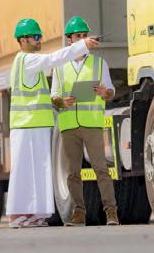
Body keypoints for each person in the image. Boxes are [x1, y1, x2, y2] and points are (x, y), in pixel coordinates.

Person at [6, 18, 99, 229]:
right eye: (35, 37)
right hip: (25, 126)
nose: (39, 40)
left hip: (36, 125)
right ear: (23, 40)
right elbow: (53, 59)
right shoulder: (26, 60)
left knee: (38, 171)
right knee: (23, 171)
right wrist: (82, 46)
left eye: (40, 36)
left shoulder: (31, 63)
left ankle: (34, 214)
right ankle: (17, 215)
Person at [51, 15, 119, 226]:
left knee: (101, 169)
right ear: (69, 40)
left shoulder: (99, 63)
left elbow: (111, 92)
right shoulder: (60, 66)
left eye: (84, 35)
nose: (82, 39)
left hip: (92, 125)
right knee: (73, 173)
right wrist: (62, 101)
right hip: (69, 126)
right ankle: (78, 212)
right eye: (77, 36)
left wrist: (104, 92)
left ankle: (111, 212)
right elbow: (54, 97)